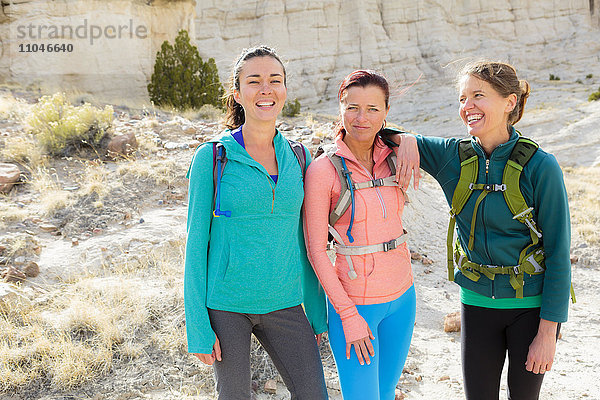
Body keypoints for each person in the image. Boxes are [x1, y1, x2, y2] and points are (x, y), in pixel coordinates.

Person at [391, 61, 572, 400]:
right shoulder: (451, 157)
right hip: (476, 305)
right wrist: (407, 140)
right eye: (462, 99)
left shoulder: (541, 166)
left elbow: (560, 254)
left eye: (478, 96)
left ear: (510, 102)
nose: (467, 107)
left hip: (530, 308)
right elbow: (375, 130)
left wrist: (549, 332)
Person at [183, 45, 329, 400]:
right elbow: (195, 245)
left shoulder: (299, 156)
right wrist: (198, 327)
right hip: (227, 304)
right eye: (255, 81)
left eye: (274, 80)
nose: (266, 89)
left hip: (285, 300)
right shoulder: (212, 157)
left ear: (284, 90)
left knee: (314, 395)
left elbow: (306, 240)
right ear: (237, 93)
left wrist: (316, 309)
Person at [303, 70, 417, 400]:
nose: (361, 118)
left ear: (386, 112)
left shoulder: (397, 155)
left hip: (403, 299)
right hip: (357, 306)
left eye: (372, 109)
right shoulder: (323, 170)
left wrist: (406, 139)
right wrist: (348, 316)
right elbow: (315, 251)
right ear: (339, 108)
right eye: (352, 107)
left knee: (385, 393)